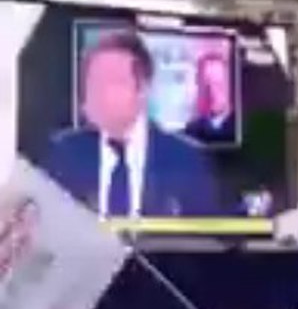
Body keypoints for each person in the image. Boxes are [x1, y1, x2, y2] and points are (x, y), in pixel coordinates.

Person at [44, 30, 221, 217]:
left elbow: (204, 239)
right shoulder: (65, 153)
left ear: (142, 89)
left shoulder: (186, 160)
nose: (98, 94)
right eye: (93, 82)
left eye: (111, 82)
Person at [183, 52, 237, 146]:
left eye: (218, 84)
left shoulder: (241, 127)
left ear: (230, 85)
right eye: (206, 85)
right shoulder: (191, 131)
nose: (212, 91)